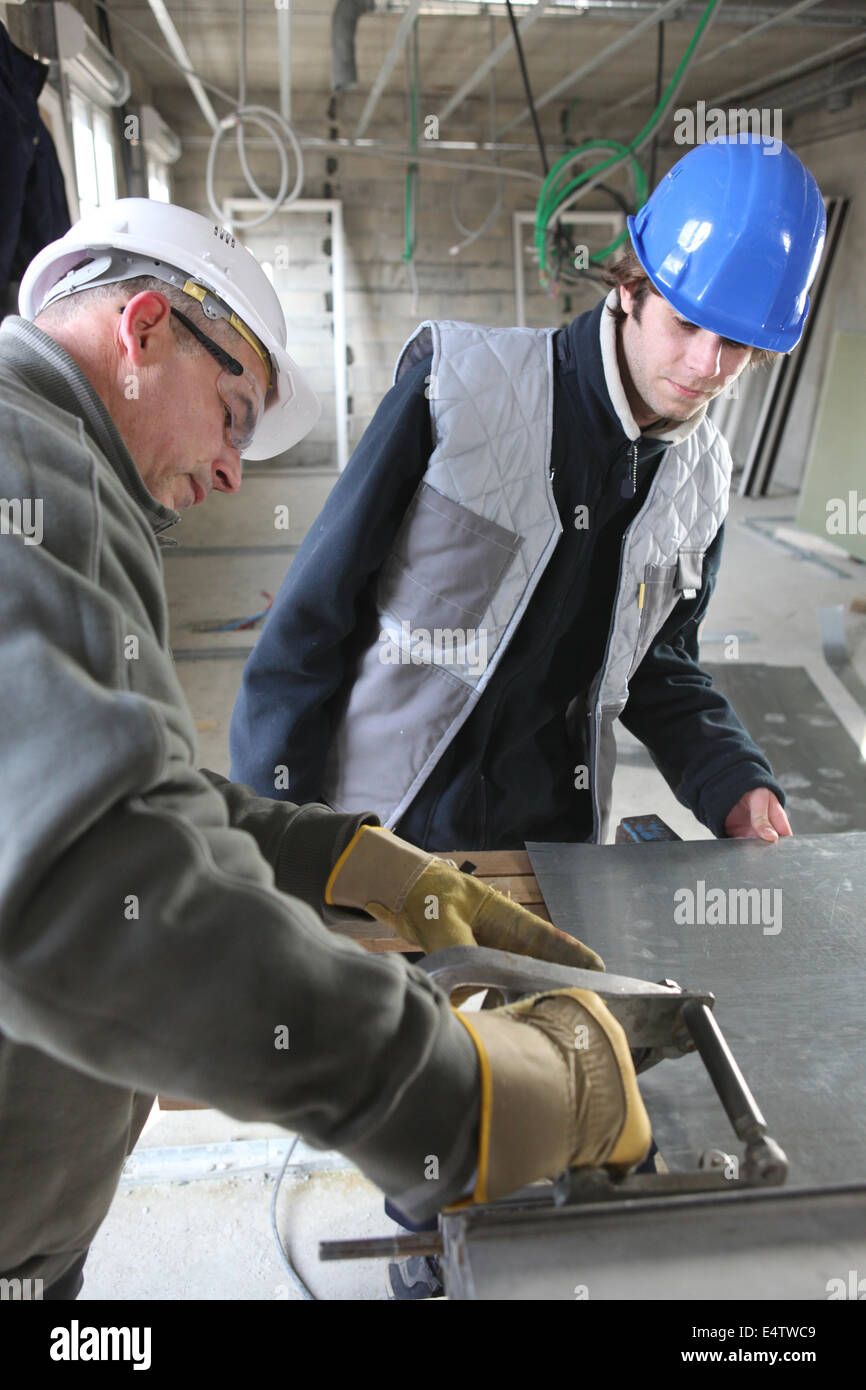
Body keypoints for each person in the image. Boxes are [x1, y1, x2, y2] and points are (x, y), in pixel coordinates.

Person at [0, 197, 652, 1300]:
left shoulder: (57, 460)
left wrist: (343, 858)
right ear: (145, 328)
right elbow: (86, 887)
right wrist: (453, 1097)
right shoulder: (23, 463)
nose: (230, 473)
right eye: (234, 414)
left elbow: (111, 791)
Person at [230, 135, 826, 853]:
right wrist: (279, 827)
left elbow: (657, 663)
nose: (707, 363)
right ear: (630, 287)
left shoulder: (704, 476)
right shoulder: (457, 387)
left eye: (735, 342)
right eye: (688, 323)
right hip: (384, 826)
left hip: (555, 849)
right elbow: (309, 625)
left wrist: (733, 777)